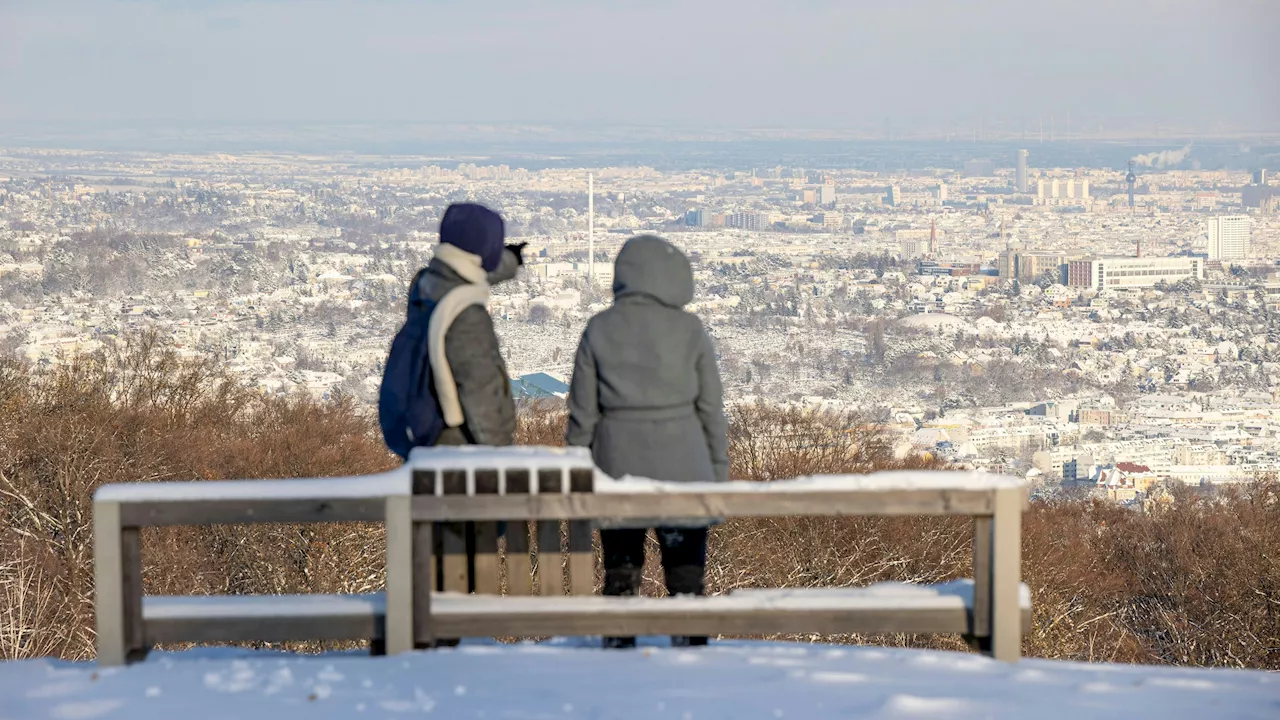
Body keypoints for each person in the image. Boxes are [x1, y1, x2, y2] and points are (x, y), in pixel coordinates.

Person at [565, 234, 729, 649]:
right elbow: (710, 408)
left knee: (621, 570)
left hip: (618, 464)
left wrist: (578, 472)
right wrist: (718, 474)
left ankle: (619, 650)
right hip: (685, 467)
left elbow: (583, 414)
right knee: (687, 574)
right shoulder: (689, 329)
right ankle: (691, 650)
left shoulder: (599, 328)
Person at [407, 202, 525, 447]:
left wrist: (509, 261)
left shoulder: (427, 283)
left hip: (430, 433)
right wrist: (501, 457)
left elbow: (465, 275)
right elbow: (480, 395)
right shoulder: (466, 317)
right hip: (461, 447)